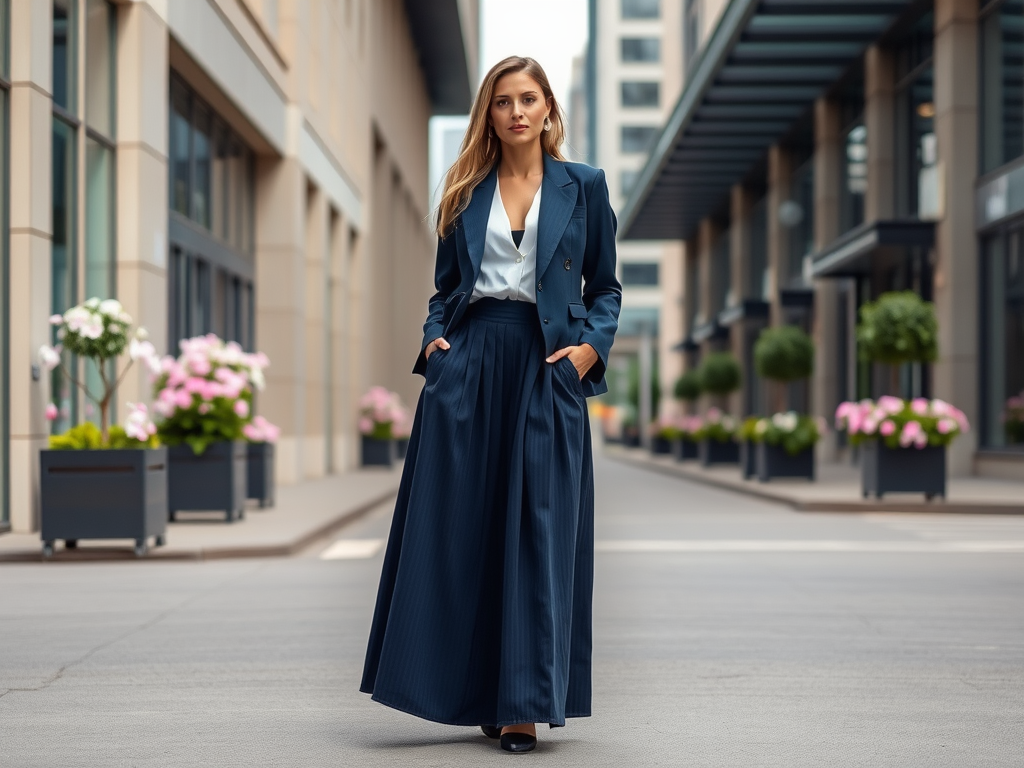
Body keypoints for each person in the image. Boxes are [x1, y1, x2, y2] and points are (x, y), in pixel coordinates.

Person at [360, 55, 621, 755]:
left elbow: (607, 287)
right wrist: (435, 346)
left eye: (528, 98)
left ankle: (523, 704)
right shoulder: (464, 190)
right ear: (490, 114)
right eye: (503, 101)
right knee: (461, 532)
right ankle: (465, 689)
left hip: (548, 366)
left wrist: (591, 350)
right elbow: (445, 292)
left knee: (537, 532)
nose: (516, 111)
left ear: (548, 109)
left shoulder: (584, 187)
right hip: (471, 363)